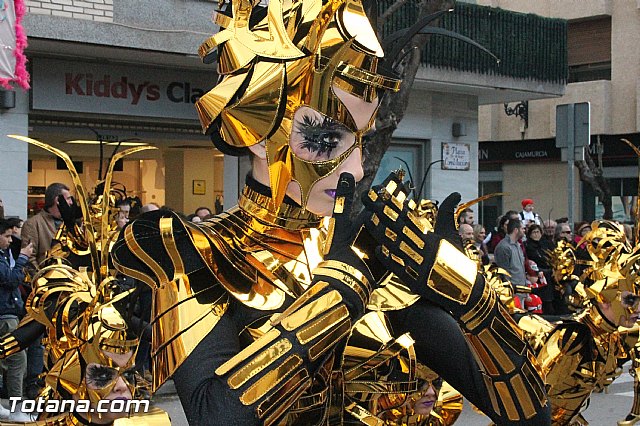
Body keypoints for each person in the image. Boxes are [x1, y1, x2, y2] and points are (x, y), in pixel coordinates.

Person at [110, 1, 550, 424]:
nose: (356, 169)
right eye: (327, 140)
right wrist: (338, 293)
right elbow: (215, 414)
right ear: (258, 133)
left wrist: (474, 301)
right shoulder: (194, 249)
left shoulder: (376, 248)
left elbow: (528, 416)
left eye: (359, 140)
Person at [0, 219, 32, 401]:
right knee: (17, 360)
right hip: (5, 315)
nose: (11, 240)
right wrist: (23, 259)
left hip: (10, 312)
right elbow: (10, 280)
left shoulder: (4, 255)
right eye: (6, 236)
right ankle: (16, 405)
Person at [494, 219, 526, 288]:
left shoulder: (518, 245)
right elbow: (504, 272)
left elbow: (521, 269)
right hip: (512, 291)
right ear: (516, 230)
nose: (524, 230)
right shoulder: (503, 247)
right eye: (522, 228)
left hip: (521, 290)